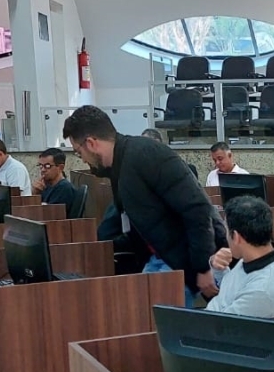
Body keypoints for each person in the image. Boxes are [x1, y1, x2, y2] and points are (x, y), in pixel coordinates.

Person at [62, 105, 221, 306]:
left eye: (79, 153)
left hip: (185, 260)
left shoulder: (146, 154)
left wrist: (203, 267)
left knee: (151, 320)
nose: (83, 160)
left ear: (91, 143)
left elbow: (197, 209)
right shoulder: (118, 167)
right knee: (135, 314)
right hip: (159, 259)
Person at [206, 196, 274, 317]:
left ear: (236, 237)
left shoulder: (262, 292)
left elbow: (222, 323)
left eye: (226, 230)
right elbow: (231, 292)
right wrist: (218, 268)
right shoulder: (256, 255)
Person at [32, 148, 78, 216]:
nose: (43, 170)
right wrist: (35, 194)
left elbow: (51, 215)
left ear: (61, 167)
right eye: (41, 166)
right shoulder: (46, 186)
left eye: (47, 166)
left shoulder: (64, 188)